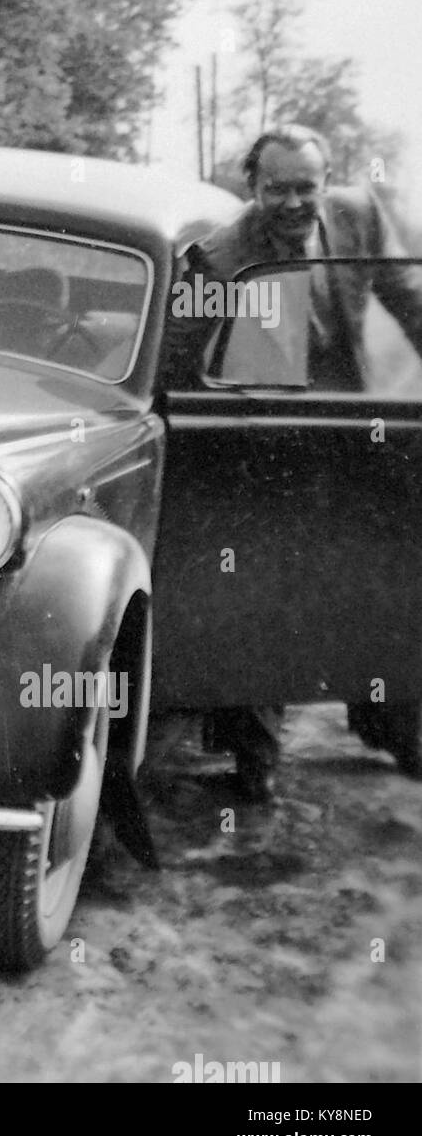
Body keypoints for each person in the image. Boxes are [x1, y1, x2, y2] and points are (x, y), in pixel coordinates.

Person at [162, 124, 422, 798]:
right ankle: (254, 761)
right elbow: (178, 354)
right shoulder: (222, 256)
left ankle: (391, 724)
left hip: (351, 428)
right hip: (263, 440)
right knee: (256, 585)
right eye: (275, 189)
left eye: (305, 187)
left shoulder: (358, 217)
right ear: (252, 188)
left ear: (325, 180)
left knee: (381, 568)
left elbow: (408, 299)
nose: (292, 202)